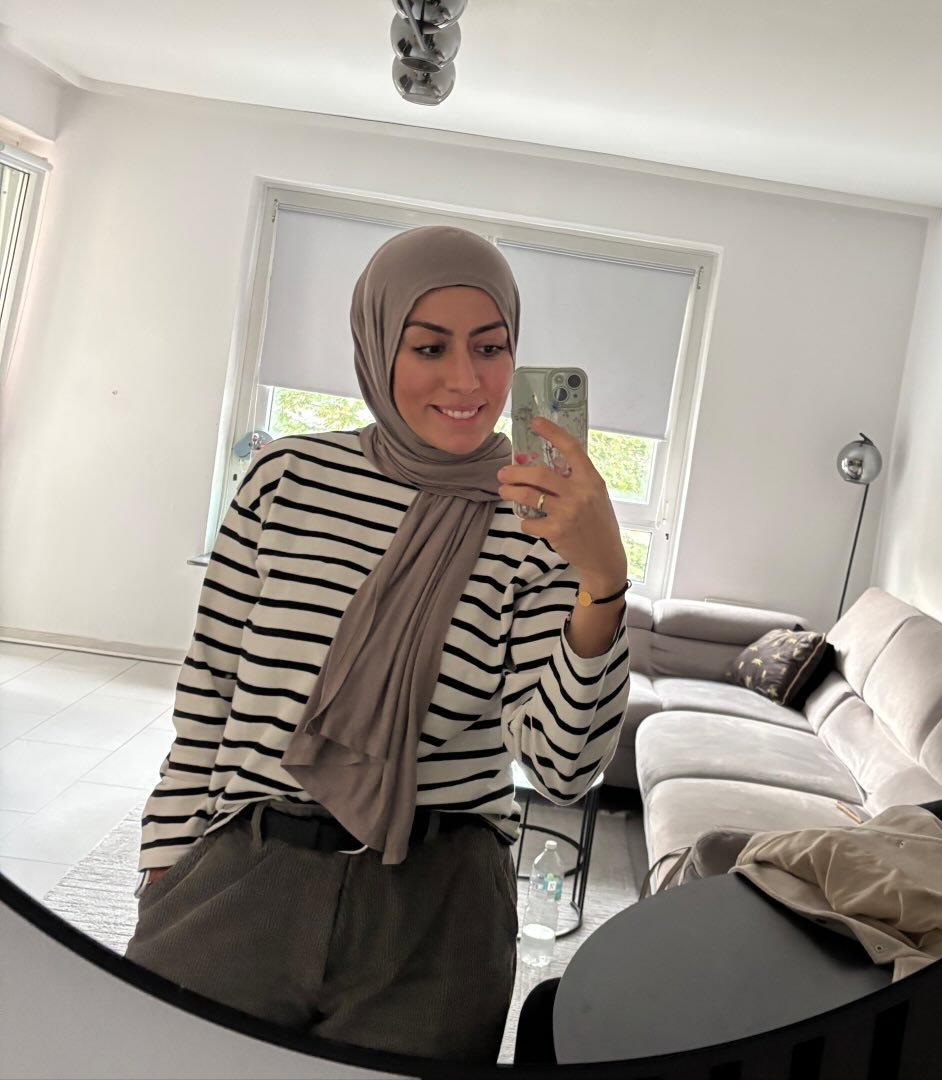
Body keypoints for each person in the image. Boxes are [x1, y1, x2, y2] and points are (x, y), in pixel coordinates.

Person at [125, 225, 631, 1064]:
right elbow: (209, 689)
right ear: (375, 343)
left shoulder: (538, 524)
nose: (466, 380)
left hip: (436, 912)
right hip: (246, 870)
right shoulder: (285, 481)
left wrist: (603, 580)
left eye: (491, 347)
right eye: (429, 347)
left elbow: (564, 767)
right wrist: (166, 861)